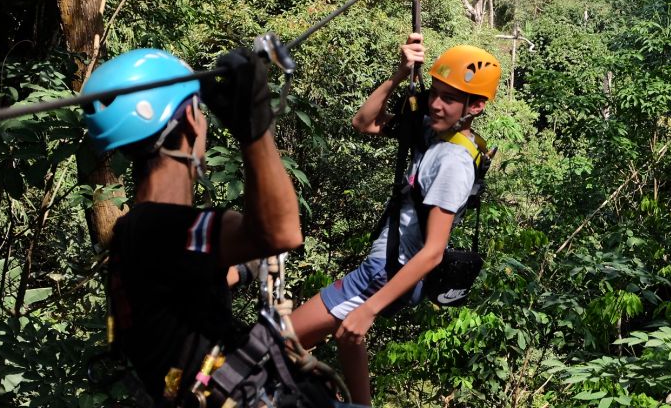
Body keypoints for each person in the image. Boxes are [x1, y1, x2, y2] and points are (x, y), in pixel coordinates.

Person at [83, 47, 330, 407]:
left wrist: (245, 269)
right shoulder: (164, 227)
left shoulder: (135, 232)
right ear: (190, 121)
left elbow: (189, 286)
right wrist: (255, 128)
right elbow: (282, 232)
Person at [289, 33, 501, 406]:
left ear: (477, 106)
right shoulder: (434, 135)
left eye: (449, 99)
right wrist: (398, 76)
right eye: (435, 92)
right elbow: (363, 122)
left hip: (386, 273)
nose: (436, 104)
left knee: (275, 343)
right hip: (388, 268)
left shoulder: (452, 161)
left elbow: (434, 252)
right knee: (344, 335)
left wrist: (369, 309)